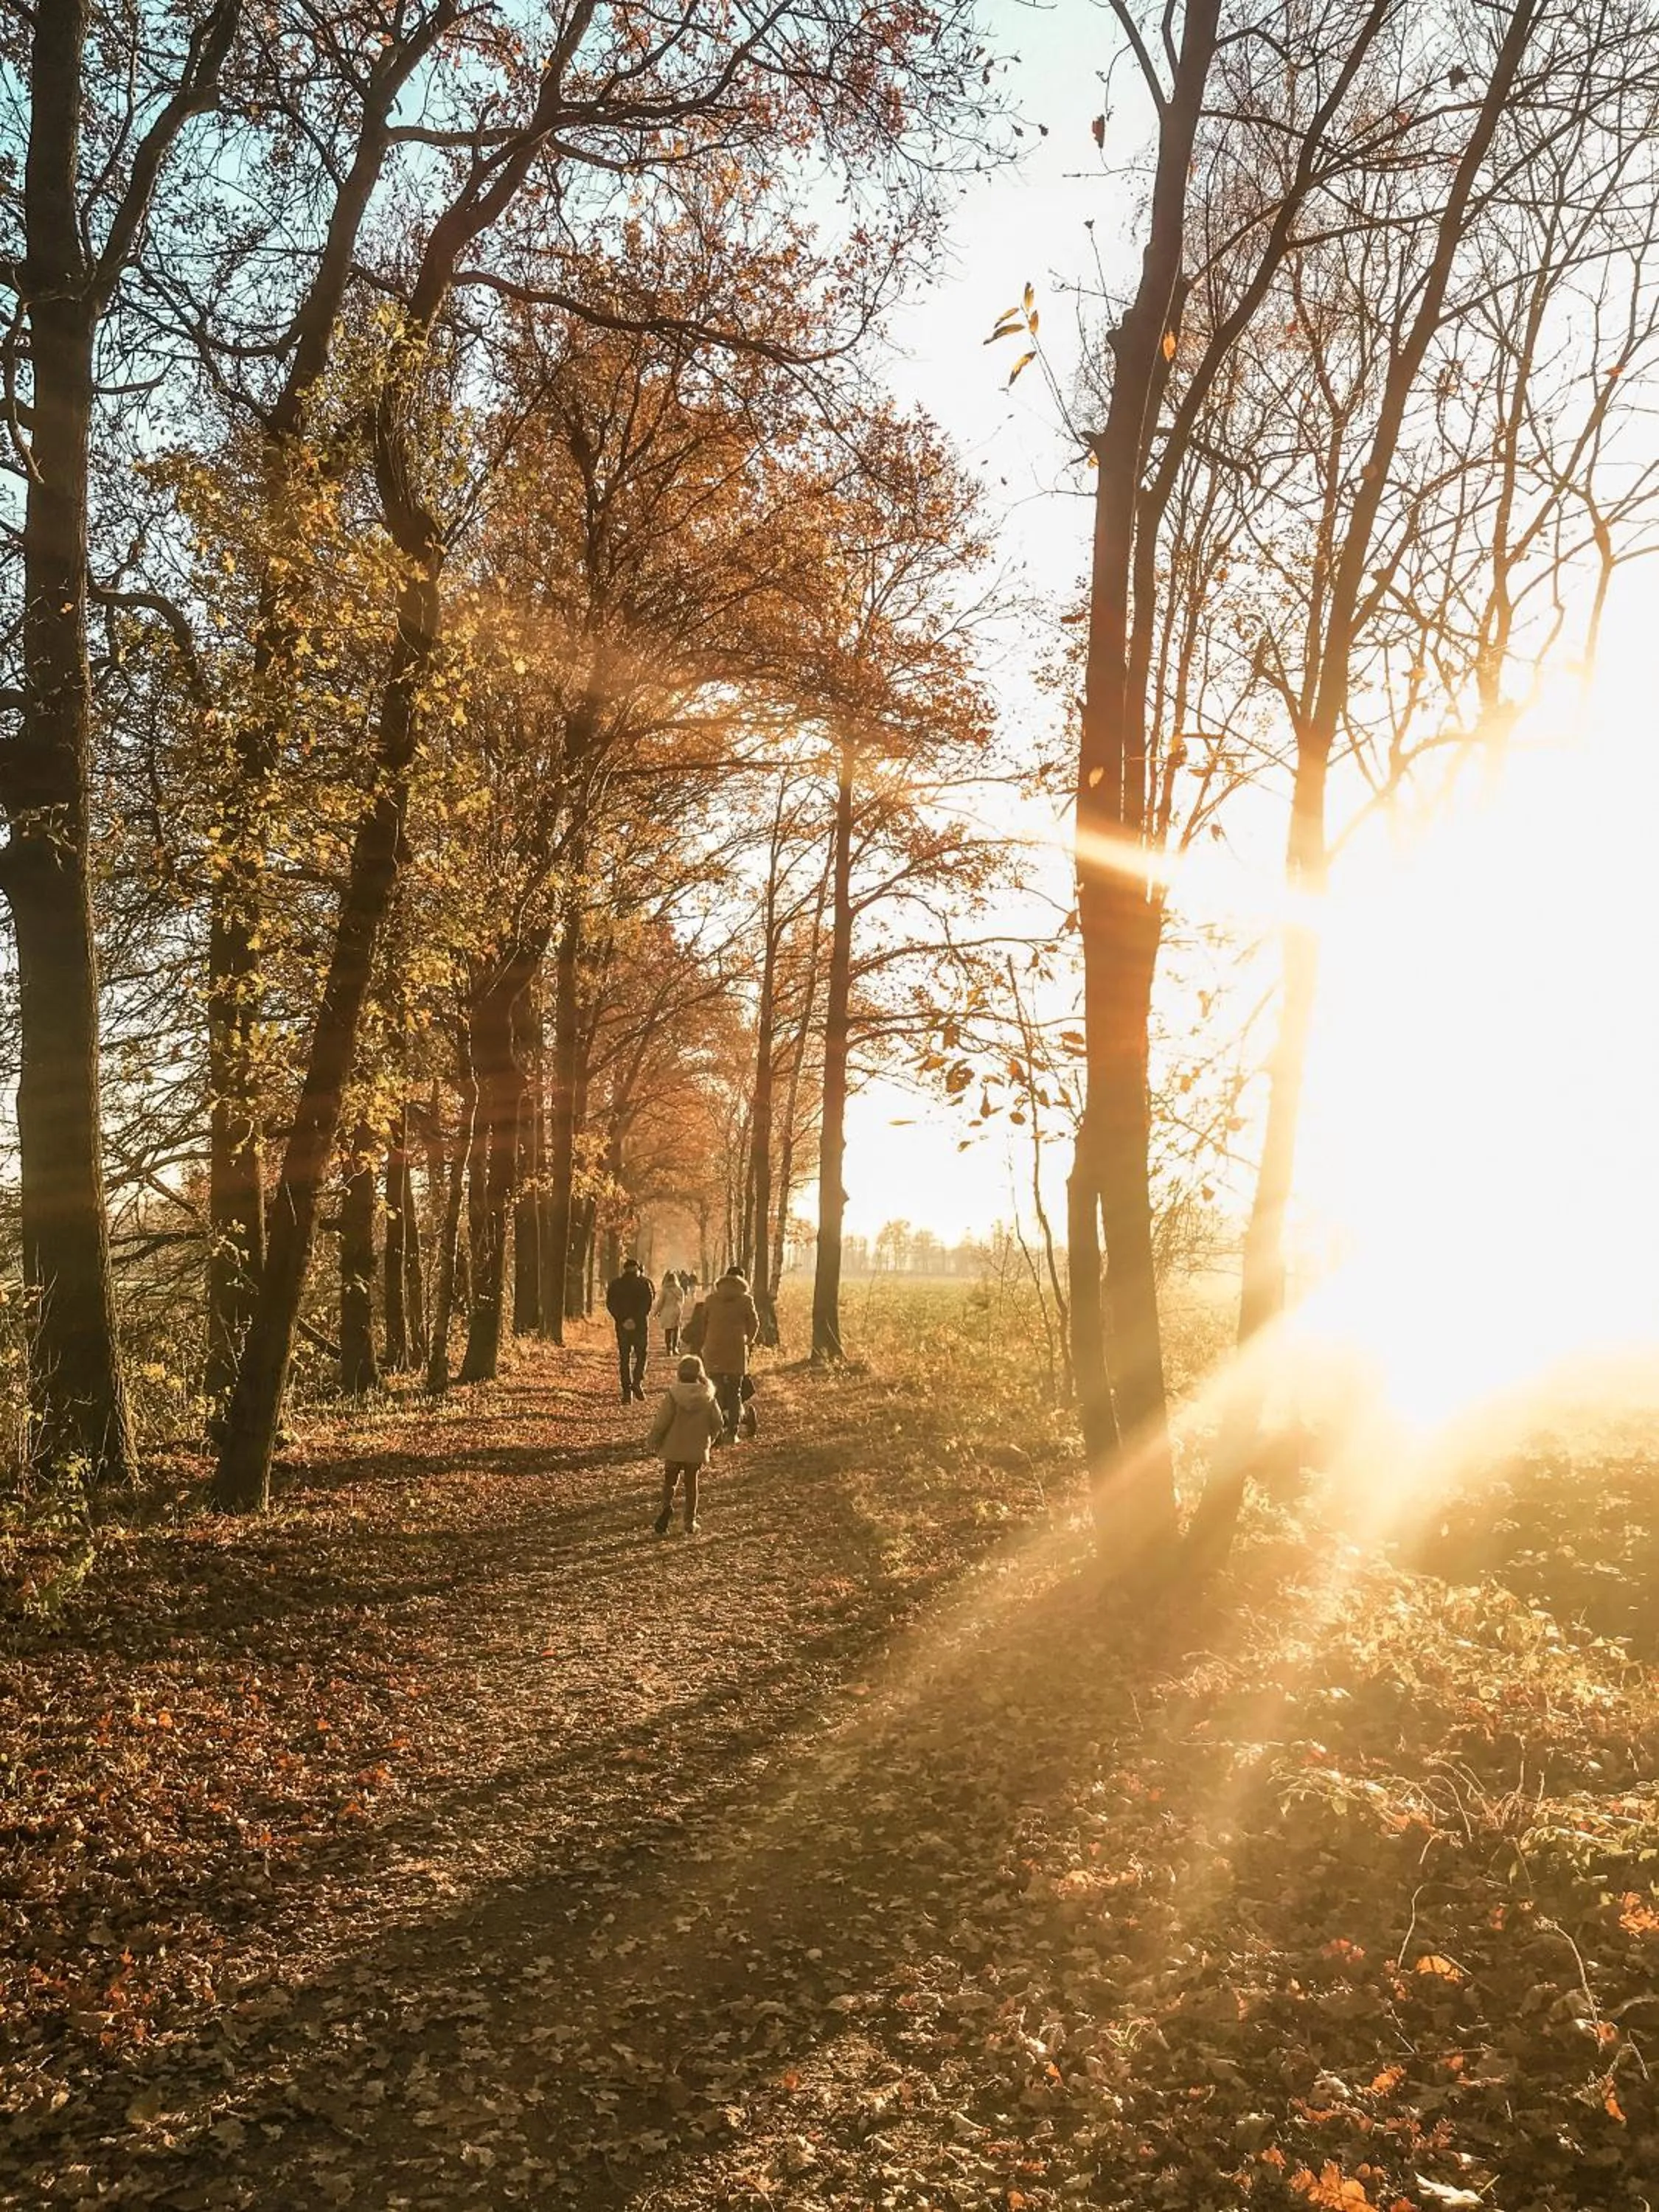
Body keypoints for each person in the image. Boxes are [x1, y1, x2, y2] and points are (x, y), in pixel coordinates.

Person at [645, 1354, 726, 1536]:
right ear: (700, 1373)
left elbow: (662, 1421)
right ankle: (690, 1521)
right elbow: (718, 1422)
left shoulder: (674, 1394)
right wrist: (709, 1440)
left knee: (670, 1481)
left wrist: (654, 1440)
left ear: (680, 1373)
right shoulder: (708, 1395)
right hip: (696, 1448)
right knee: (691, 1484)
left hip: (674, 1447)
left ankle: (666, 1507)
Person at [684, 1265, 759, 1443]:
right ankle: (732, 1432)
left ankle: (715, 1430)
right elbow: (755, 1324)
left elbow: (703, 1324)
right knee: (735, 1391)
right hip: (736, 1349)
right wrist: (748, 1340)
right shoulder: (746, 1300)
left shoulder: (710, 1300)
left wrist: (705, 1342)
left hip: (713, 1348)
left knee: (715, 1389)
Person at [605, 1257, 655, 1402]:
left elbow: (610, 1303)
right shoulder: (644, 1283)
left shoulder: (615, 1284)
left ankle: (626, 1392)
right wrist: (636, 1319)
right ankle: (637, 1381)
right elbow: (648, 1303)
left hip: (622, 1326)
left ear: (624, 1269)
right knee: (641, 1355)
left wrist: (622, 1319)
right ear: (638, 1269)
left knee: (625, 1358)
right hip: (640, 1325)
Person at [654, 1271, 686, 1356]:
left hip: (667, 1311)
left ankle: (669, 1349)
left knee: (668, 1331)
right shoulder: (680, 1290)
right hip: (677, 1311)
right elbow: (682, 1302)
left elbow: (661, 1302)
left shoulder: (665, 1290)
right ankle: (675, 1347)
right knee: (676, 1330)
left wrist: (656, 1312)